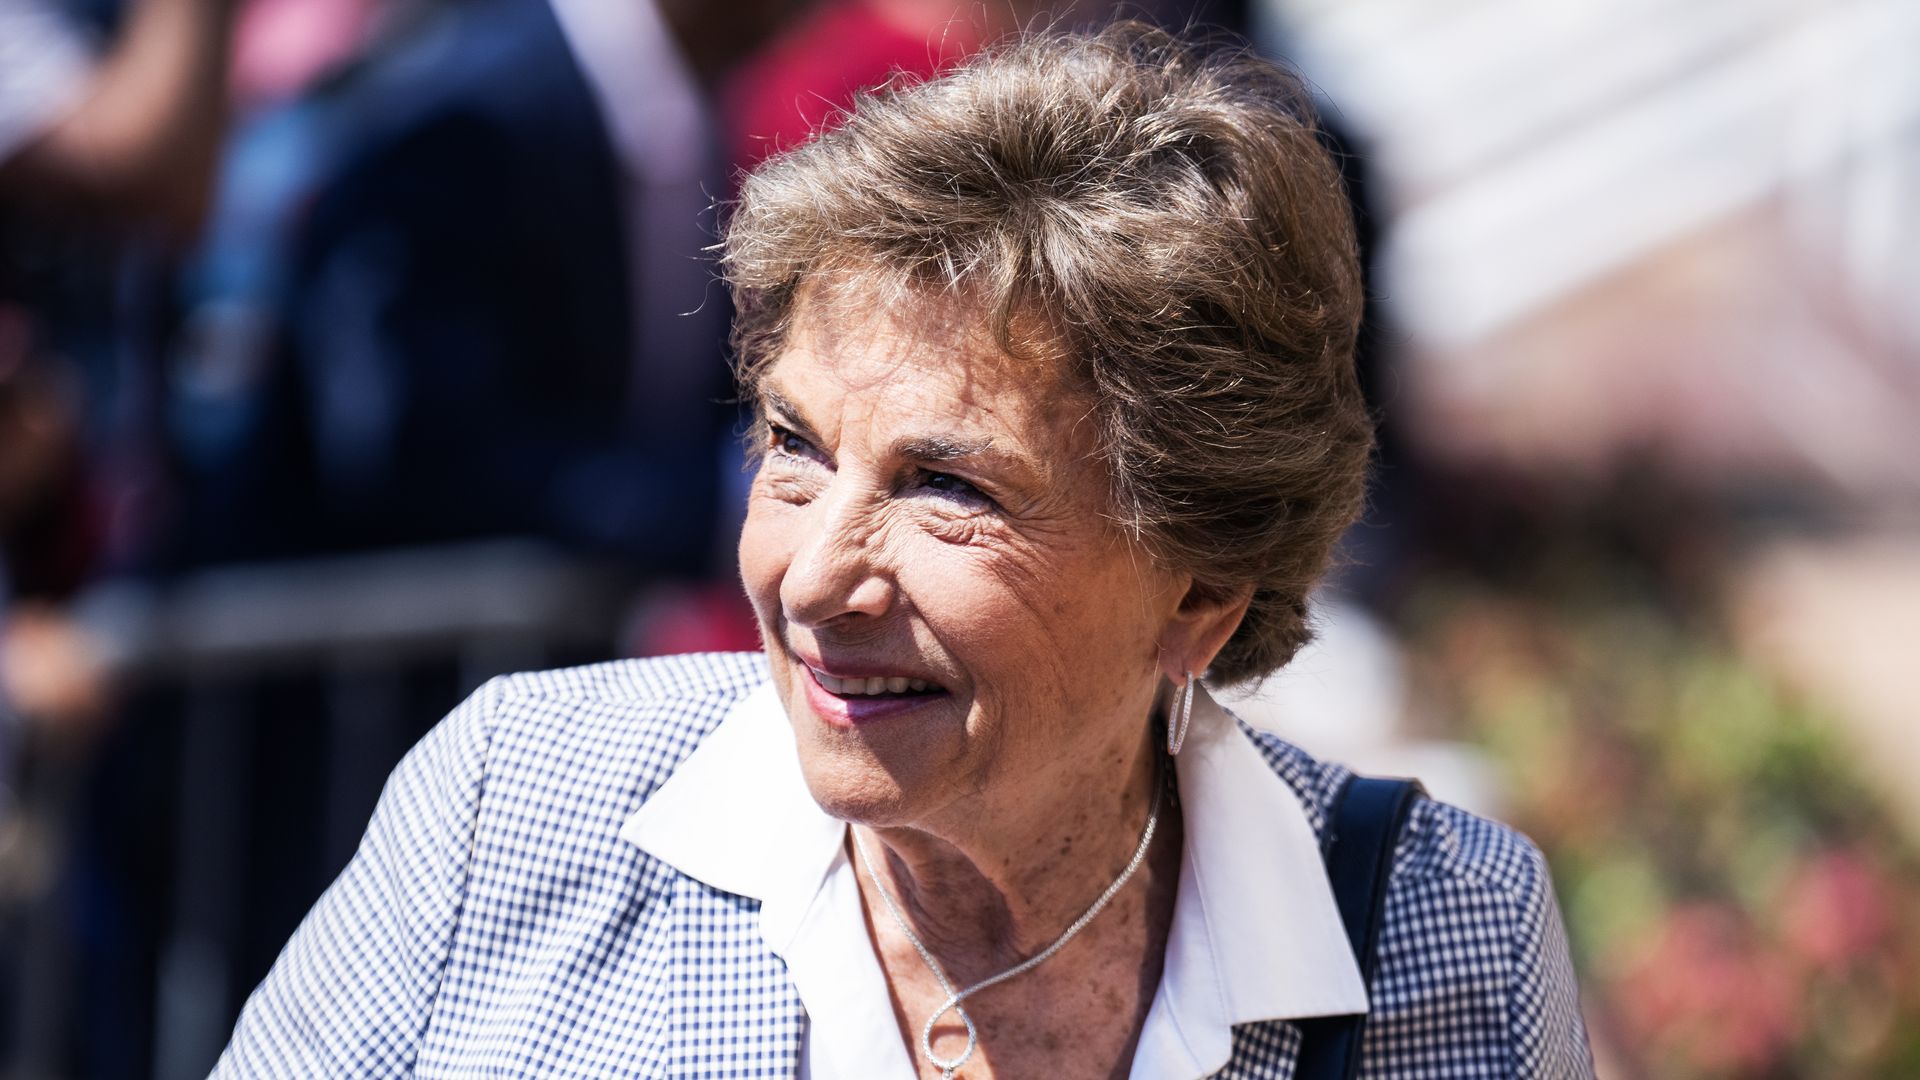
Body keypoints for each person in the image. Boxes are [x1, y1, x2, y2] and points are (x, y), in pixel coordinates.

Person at [212, 24, 1594, 1078]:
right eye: (796, 448)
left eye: (946, 489)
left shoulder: (1433, 939)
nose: (813, 579)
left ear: (1202, 588)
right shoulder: (509, 808)